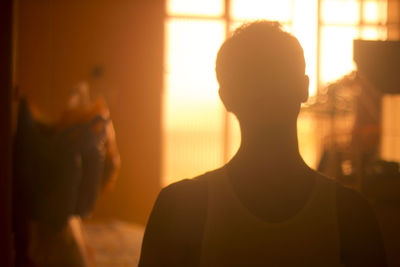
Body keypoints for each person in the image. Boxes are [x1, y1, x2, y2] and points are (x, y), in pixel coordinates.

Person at [139, 21, 386, 266]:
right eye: (256, 77)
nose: (267, 91)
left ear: (226, 98)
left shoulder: (181, 209)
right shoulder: (351, 214)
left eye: (274, 75)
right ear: (303, 87)